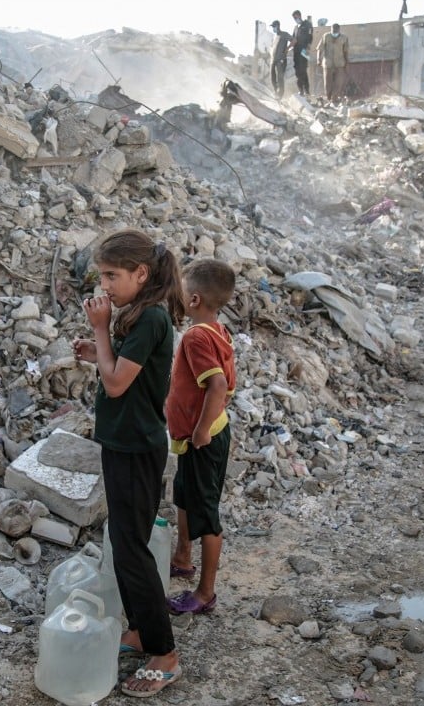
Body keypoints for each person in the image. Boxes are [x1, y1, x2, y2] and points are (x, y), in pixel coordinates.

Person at [72, 229, 184, 698]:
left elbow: (117, 385)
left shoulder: (153, 319)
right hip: (122, 443)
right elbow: (121, 373)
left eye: (112, 275)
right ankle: (138, 629)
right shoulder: (139, 314)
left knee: (132, 549)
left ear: (141, 274)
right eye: (102, 275)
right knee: (124, 541)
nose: (104, 285)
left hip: (137, 449)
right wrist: (98, 352)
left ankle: (165, 655)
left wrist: (100, 332)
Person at [164, 259, 237, 615]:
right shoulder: (216, 330)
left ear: (193, 300)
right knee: (184, 494)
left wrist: (201, 429)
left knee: (205, 512)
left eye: (179, 291)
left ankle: (205, 592)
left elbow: (219, 385)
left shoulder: (196, 336)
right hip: (197, 437)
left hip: (203, 440)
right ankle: (182, 556)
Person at [317, 23, 350, 102]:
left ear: (339, 30)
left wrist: (347, 62)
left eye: (336, 31)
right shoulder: (326, 36)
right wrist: (318, 59)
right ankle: (328, 98)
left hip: (339, 64)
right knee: (328, 84)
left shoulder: (344, 38)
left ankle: (334, 99)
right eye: (333, 31)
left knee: (339, 83)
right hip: (328, 64)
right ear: (331, 30)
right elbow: (319, 48)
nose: (334, 33)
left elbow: (346, 51)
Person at [291, 10, 313, 97]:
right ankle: (301, 90)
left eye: (296, 17)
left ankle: (306, 90)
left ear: (300, 15)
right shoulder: (295, 27)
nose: (295, 19)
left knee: (303, 70)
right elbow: (293, 39)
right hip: (296, 52)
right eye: (294, 18)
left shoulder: (307, 24)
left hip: (304, 51)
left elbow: (310, 35)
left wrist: (308, 46)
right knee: (297, 72)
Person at [269, 20, 291, 98]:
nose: (273, 28)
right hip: (273, 59)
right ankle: (276, 92)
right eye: (272, 27)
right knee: (272, 76)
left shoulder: (284, 34)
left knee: (280, 77)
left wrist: (287, 49)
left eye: (274, 27)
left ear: (278, 26)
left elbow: (293, 40)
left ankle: (280, 95)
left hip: (281, 60)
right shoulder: (275, 36)